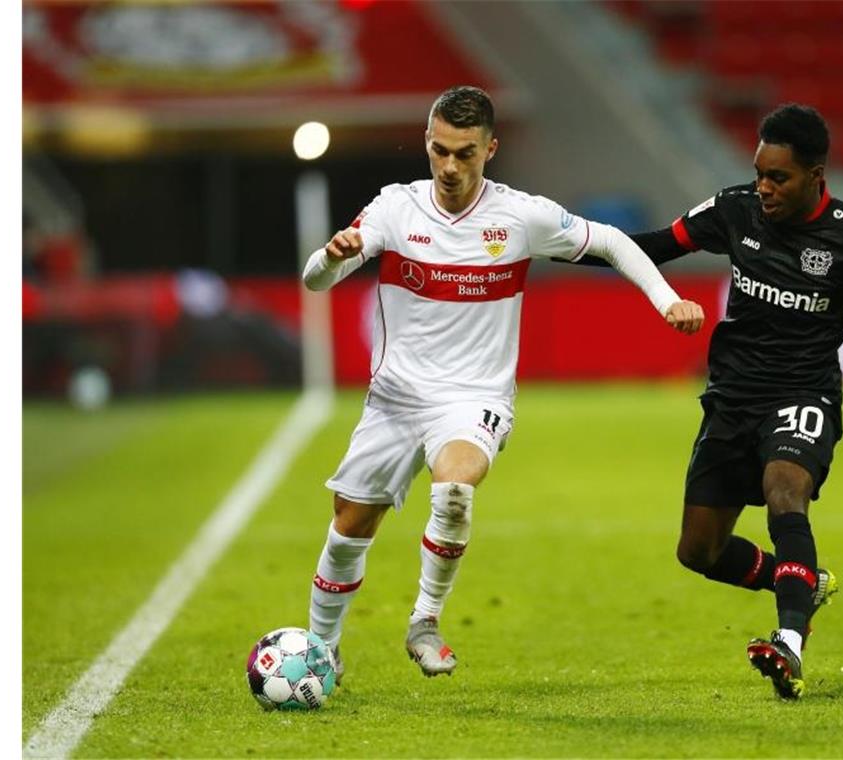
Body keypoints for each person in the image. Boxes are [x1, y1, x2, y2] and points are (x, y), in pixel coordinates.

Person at [300, 85, 705, 680]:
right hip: (394, 398)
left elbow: (613, 241)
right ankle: (320, 647)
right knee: (349, 526)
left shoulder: (519, 217)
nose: (449, 167)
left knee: (456, 488)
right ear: (427, 143)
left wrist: (667, 300)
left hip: (473, 398)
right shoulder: (395, 208)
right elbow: (315, 281)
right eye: (440, 151)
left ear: (491, 148)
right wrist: (333, 257)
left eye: (465, 153)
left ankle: (424, 620)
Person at [570, 103, 843, 700]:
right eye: (760, 173)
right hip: (732, 398)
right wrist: (553, 241)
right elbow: (653, 246)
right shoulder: (734, 209)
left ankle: (790, 642)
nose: (765, 187)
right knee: (698, 550)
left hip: (804, 394)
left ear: (816, 175)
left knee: (785, 489)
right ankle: (798, 580)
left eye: (779, 177)